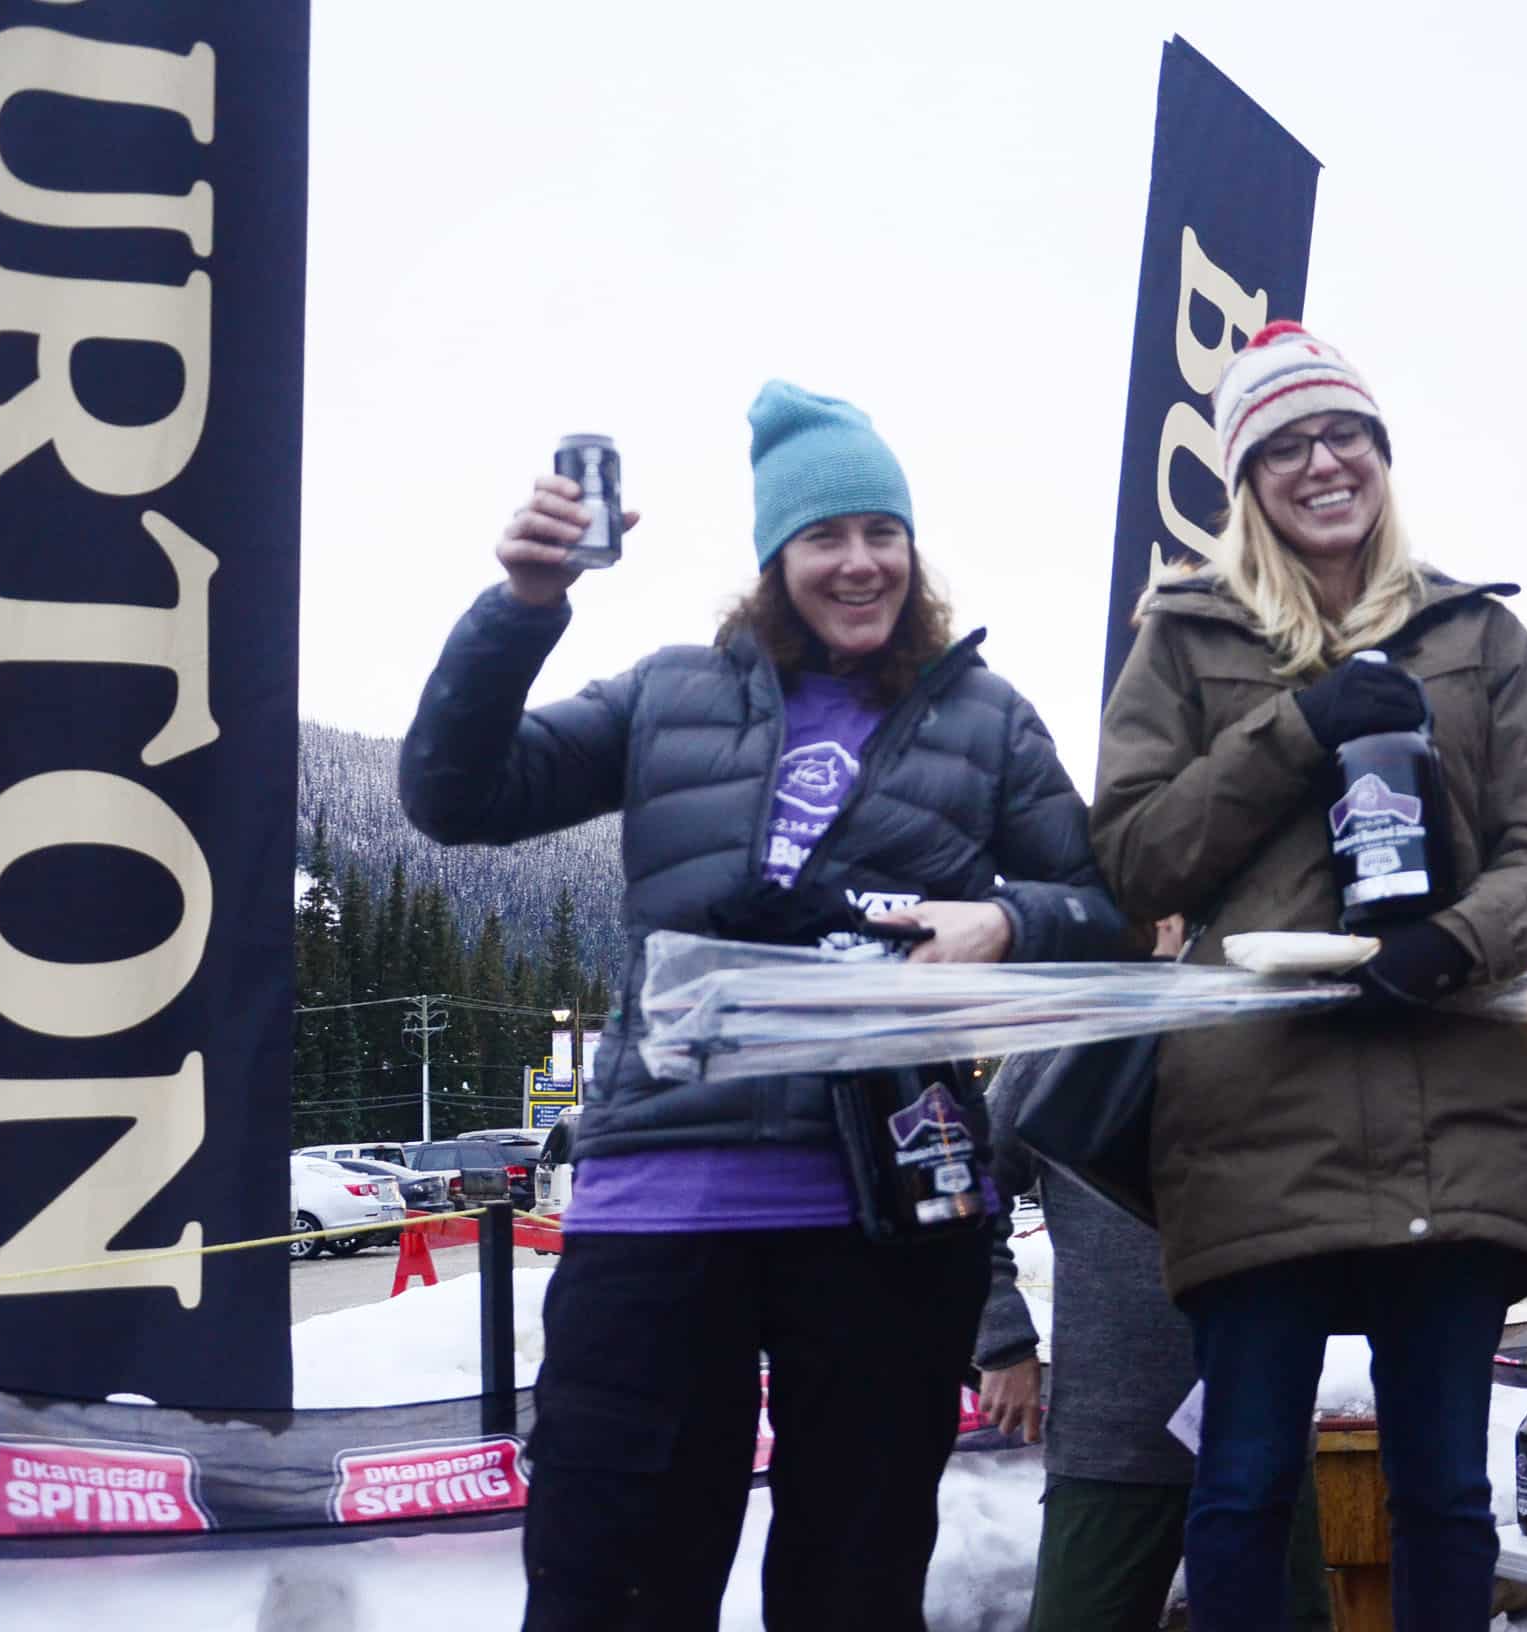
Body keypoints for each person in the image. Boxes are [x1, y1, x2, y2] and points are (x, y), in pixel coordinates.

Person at [399, 381, 1125, 1631]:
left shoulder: (986, 720)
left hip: (886, 1220)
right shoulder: (669, 694)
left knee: (854, 1589)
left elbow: (1108, 909)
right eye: (824, 538)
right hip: (657, 1210)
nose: (858, 564)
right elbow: (455, 796)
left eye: (880, 533)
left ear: (911, 547)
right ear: (774, 558)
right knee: (607, 1584)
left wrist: (1007, 922)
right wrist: (522, 609)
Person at [1092, 321, 1527, 1631]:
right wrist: (1295, 727)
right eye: (1287, 446)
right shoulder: (1187, 639)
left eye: (1346, 435)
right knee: (1244, 1489)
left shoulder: (1479, 635)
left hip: (1454, 1116)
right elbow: (1137, 859)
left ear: (1383, 454)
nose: (1324, 463)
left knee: (1445, 1496)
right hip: (1255, 1122)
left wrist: (1451, 944)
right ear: (1249, 481)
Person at [973, 919, 1333, 1632]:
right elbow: (964, 1196)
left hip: (1261, 1417)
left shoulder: (1268, 1023)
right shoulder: (1067, 1038)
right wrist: (1002, 1341)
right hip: (1112, 1434)